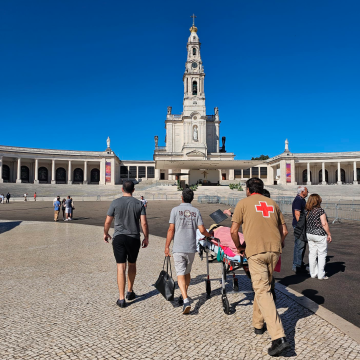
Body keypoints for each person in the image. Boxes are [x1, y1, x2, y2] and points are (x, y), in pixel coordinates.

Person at [230, 178, 290, 357]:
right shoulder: (273, 203)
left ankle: (278, 337)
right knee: (263, 286)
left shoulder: (243, 203)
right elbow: (285, 231)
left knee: (262, 290)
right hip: (274, 250)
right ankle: (258, 324)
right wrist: (278, 244)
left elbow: (233, 230)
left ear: (248, 189)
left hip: (255, 251)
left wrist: (240, 246)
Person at [164, 188, 212, 314]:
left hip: (178, 247)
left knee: (180, 273)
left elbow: (171, 230)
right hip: (191, 247)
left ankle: (185, 300)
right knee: (187, 272)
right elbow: (202, 230)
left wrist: (167, 246)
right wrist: (209, 235)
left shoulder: (175, 210)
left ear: (181, 197)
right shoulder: (196, 211)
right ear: (192, 198)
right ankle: (183, 294)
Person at [104, 180, 149, 308]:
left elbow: (108, 221)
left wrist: (105, 233)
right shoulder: (139, 204)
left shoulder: (115, 203)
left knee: (120, 266)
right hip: (134, 237)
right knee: (132, 264)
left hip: (119, 237)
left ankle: (121, 298)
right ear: (133, 190)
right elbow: (144, 223)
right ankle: (130, 291)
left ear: (122, 189)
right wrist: (146, 237)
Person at [306, 194, 332, 280]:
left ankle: (313, 273)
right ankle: (321, 274)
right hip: (319, 234)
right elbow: (324, 223)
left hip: (310, 233)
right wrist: (329, 234)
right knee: (321, 254)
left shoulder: (308, 210)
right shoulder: (320, 210)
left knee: (312, 254)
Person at [292, 186, 309, 274]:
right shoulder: (298, 200)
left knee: (300, 245)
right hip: (299, 226)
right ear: (302, 191)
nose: (308, 192)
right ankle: (297, 265)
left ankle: (299, 263)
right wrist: (301, 226)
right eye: (306, 191)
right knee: (299, 246)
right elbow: (297, 213)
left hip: (300, 225)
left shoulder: (301, 199)